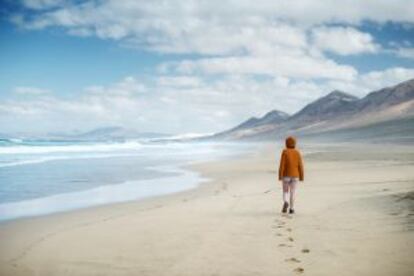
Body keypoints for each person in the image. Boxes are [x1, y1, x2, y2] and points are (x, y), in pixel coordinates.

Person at [278, 136, 304, 214]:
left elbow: (282, 165)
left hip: (286, 175)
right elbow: (300, 165)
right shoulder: (297, 152)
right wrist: (301, 176)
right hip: (295, 175)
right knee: (293, 192)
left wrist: (280, 175)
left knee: (285, 191)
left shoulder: (285, 152)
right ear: (294, 143)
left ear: (286, 143)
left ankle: (286, 202)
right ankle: (292, 209)